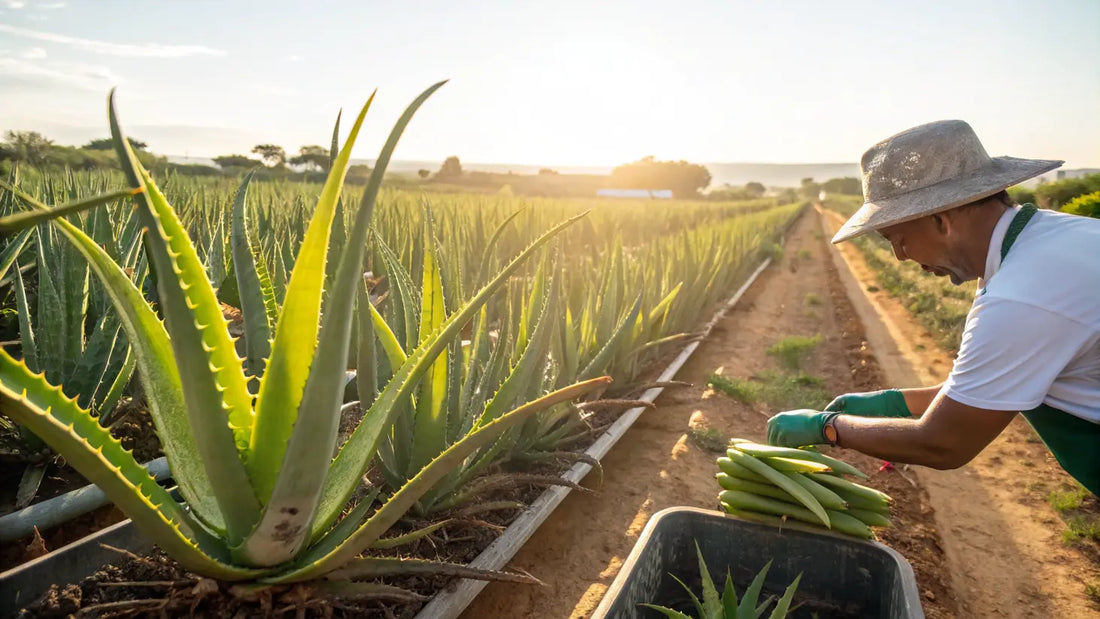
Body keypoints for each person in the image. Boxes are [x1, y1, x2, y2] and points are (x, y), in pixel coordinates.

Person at [765, 119, 1100, 496]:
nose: (899, 256)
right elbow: (983, 386)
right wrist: (892, 403)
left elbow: (944, 442)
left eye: (898, 238)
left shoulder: (1019, 296)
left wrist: (829, 427)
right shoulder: (1055, 238)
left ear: (941, 220)